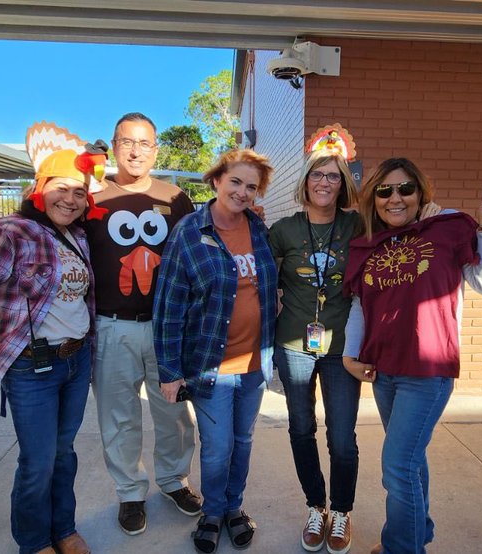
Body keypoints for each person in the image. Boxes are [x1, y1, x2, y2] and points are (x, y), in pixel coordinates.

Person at [0, 142, 108, 554]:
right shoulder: (7, 232)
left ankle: (63, 529)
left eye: (79, 192)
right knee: (38, 462)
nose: (70, 199)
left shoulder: (78, 237)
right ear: (39, 188)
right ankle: (34, 542)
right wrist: (5, 322)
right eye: (61, 188)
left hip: (76, 360)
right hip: (33, 367)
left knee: (64, 453)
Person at [341, 158, 482, 554]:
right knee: (411, 460)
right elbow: (360, 306)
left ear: (420, 193)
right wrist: (350, 355)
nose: (395, 198)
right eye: (385, 191)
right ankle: (419, 530)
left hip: (427, 372)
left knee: (397, 465)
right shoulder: (370, 244)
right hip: (383, 371)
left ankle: (402, 546)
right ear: (374, 199)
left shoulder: (446, 228)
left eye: (405, 189)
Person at [81, 112, 202, 535]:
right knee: (119, 416)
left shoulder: (176, 198)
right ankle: (130, 491)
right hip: (111, 325)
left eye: (144, 143)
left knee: (175, 412)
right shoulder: (90, 195)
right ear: (114, 146)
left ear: (156, 149)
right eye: (127, 142)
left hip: (167, 328)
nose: (135, 151)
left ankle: (174, 480)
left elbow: (196, 253)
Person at [154, 149, 278, 554]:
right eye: (235, 182)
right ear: (216, 180)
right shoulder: (189, 232)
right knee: (218, 446)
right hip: (211, 365)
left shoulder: (258, 229)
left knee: (242, 440)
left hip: (255, 362)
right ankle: (212, 512)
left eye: (251, 187)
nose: (242, 192)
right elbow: (169, 306)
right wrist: (170, 371)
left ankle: (234, 508)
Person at [268, 128, 363, 554]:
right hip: (294, 343)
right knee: (301, 428)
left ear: (343, 183)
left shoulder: (357, 226)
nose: (324, 182)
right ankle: (315, 506)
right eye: (317, 174)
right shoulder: (283, 230)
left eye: (333, 175)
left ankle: (341, 511)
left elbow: (403, 223)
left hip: (342, 345)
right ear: (305, 180)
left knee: (341, 437)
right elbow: (257, 271)